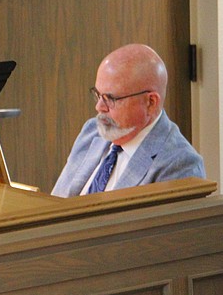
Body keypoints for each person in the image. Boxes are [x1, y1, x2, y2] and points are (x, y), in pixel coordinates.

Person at [51, 43, 204, 197]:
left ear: (150, 102)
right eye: (98, 95)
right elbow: (57, 202)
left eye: (110, 98)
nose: (99, 107)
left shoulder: (181, 165)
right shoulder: (92, 131)